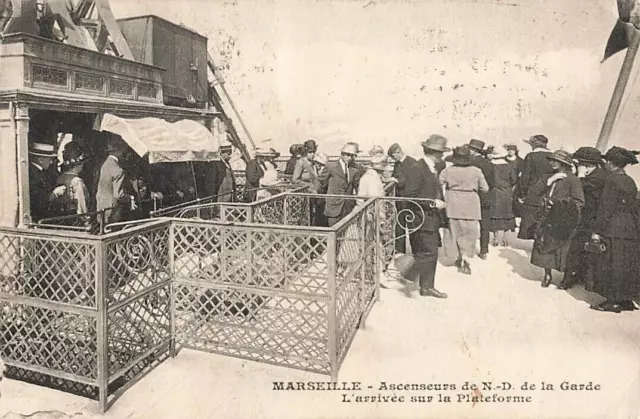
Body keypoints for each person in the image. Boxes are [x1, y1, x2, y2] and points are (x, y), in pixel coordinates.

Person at [588, 147, 640, 313]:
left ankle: (612, 302)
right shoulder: (629, 180)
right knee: (625, 265)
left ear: (611, 163)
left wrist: (596, 231)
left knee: (610, 264)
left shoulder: (611, 180)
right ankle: (626, 300)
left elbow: (606, 208)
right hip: (629, 228)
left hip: (613, 228)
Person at [400, 134, 449, 298]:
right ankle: (408, 276)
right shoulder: (418, 168)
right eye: (441, 154)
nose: (442, 157)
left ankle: (427, 287)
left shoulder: (429, 167)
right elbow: (410, 195)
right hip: (421, 218)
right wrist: (433, 203)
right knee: (428, 253)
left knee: (430, 252)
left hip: (429, 218)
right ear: (434, 153)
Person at [529, 150, 584, 287]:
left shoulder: (572, 179)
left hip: (561, 218)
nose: (551, 163)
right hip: (546, 216)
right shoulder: (548, 176)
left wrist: (560, 205)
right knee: (543, 243)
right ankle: (547, 274)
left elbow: (579, 201)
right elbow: (534, 192)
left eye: (555, 161)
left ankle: (565, 277)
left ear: (564, 163)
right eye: (551, 160)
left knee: (562, 247)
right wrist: (550, 180)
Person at [559, 147, 608, 290]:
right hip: (585, 217)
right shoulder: (597, 174)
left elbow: (580, 189)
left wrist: (580, 176)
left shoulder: (598, 178)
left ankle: (569, 279)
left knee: (576, 248)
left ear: (587, 164)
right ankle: (576, 276)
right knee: (578, 248)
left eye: (579, 163)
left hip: (589, 218)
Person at [440, 146, 489, 275]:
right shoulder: (476, 171)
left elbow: (438, 183)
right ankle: (466, 256)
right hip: (471, 203)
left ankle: (456, 256)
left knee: (453, 231)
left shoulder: (447, 170)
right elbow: (485, 188)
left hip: (453, 202)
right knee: (469, 231)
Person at [313, 142, 359, 227]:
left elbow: (357, 186)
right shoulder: (331, 167)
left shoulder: (354, 169)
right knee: (333, 233)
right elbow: (319, 180)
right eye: (347, 155)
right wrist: (315, 191)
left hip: (348, 207)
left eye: (352, 156)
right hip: (334, 207)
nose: (349, 158)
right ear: (342, 154)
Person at [518, 135, 554, 239]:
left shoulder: (531, 156)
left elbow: (525, 177)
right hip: (550, 191)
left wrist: (523, 194)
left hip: (533, 191)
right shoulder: (553, 156)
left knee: (532, 218)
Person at [96, 136, 138, 223]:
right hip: (113, 211)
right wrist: (131, 198)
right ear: (119, 151)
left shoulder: (105, 165)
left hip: (101, 207)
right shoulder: (118, 170)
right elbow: (119, 195)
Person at [387, 143, 417, 254]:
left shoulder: (412, 163)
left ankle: (415, 251)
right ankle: (400, 251)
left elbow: (411, 180)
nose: (393, 159)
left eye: (393, 156)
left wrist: (396, 181)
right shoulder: (398, 164)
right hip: (400, 200)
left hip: (410, 200)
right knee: (399, 226)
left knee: (412, 226)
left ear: (398, 151)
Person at [467, 139, 494, 260]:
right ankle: (483, 251)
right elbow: (492, 181)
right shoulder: (488, 163)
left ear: (472, 150)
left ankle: (469, 248)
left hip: (470, 197)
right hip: (485, 196)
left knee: (469, 224)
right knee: (484, 225)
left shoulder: (468, 162)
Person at [488, 145, 518, 247]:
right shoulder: (509, 166)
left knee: (494, 214)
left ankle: (495, 238)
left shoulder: (490, 166)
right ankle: (506, 238)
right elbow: (514, 180)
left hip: (494, 192)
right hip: (506, 192)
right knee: (507, 213)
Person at [28, 142, 65, 221]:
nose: (51, 162)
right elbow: (37, 200)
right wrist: (55, 194)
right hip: (38, 219)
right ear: (40, 160)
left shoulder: (41, 172)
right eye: (49, 159)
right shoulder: (32, 174)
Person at [50, 142, 90, 216]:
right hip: (74, 218)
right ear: (79, 164)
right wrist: (86, 220)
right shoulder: (77, 181)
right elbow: (81, 206)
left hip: (63, 216)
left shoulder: (60, 177)